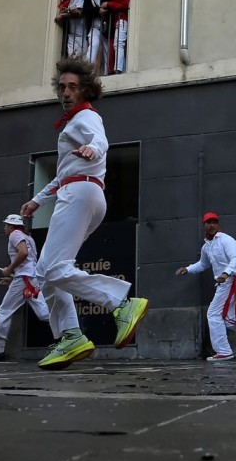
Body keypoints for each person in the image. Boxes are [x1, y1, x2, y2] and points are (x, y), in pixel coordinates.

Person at [20, 58, 149, 370]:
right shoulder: (73, 122)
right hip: (82, 191)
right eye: (62, 86)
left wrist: (95, 149)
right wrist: (37, 200)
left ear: (85, 90)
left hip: (79, 194)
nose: (65, 92)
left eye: (72, 87)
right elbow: (65, 170)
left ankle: (121, 303)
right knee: (49, 271)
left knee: (51, 270)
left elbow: (99, 140)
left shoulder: (85, 117)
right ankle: (70, 335)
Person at [176, 212, 236, 362]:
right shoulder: (207, 246)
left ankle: (224, 351)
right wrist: (188, 269)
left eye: (214, 222)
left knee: (213, 314)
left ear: (218, 223)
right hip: (225, 282)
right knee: (228, 319)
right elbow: (203, 264)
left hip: (231, 280)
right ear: (204, 225)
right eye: (208, 222)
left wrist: (225, 273)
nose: (211, 225)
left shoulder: (226, 240)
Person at [0, 214, 51, 362]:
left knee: (4, 310)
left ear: (12, 226)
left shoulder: (15, 234)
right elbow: (29, 260)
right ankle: (70, 328)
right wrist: (12, 277)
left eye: (6, 225)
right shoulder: (27, 236)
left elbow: (23, 253)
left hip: (24, 278)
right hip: (30, 278)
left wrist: (9, 269)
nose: (4, 228)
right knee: (43, 312)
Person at [102, 0, 131, 74]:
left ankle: (118, 69)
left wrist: (108, 4)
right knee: (116, 44)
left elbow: (124, 4)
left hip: (122, 18)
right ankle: (117, 67)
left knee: (119, 43)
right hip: (117, 19)